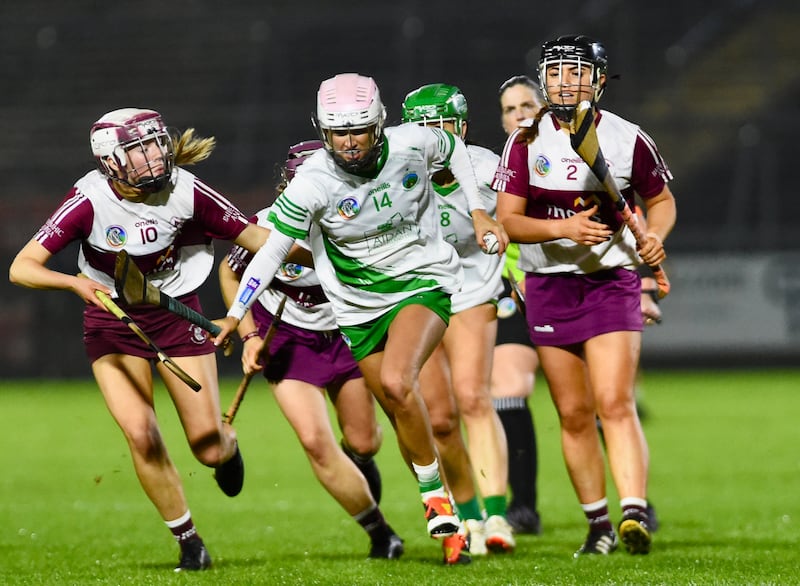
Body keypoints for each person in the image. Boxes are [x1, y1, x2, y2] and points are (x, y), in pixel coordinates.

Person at [212, 73, 508, 565]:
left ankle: (438, 501)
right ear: (323, 130)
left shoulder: (411, 142)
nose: (348, 143)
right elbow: (271, 250)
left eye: (358, 130)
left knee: (396, 381)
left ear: (379, 124)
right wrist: (238, 313)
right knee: (397, 408)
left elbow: (453, 147)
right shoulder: (314, 181)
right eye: (337, 132)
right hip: (356, 306)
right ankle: (440, 500)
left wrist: (479, 211)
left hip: (422, 280)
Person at [8, 108, 273, 571]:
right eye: (138, 150)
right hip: (113, 323)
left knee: (207, 446)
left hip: (176, 316)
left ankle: (228, 445)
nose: (153, 157)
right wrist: (74, 283)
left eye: (155, 145)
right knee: (142, 434)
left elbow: (262, 242)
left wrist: (327, 246)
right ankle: (189, 542)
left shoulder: (186, 190)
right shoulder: (87, 199)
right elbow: (21, 267)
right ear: (110, 161)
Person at [494, 36, 676, 557]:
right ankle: (597, 525)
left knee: (614, 402)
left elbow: (660, 201)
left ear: (597, 79)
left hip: (610, 280)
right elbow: (508, 222)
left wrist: (656, 234)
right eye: (554, 73)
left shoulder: (626, 139)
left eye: (575, 73)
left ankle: (634, 512)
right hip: (549, 285)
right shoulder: (525, 142)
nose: (563, 82)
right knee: (573, 414)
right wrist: (564, 229)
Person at [218, 139, 403, 559]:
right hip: (284, 337)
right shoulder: (265, 223)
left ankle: (360, 462)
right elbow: (229, 275)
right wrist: (248, 334)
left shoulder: (364, 222)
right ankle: (381, 533)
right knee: (317, 442)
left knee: (365, 441)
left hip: (345, 334)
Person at [401, 83, 515, 555]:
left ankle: (496, 515)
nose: (432, 139)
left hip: (473, 290)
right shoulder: (396, 176)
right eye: (421, 128)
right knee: (441, 420)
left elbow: (517, 222)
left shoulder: (488, 169)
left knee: (473, 396)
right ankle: (465, 515)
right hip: (419, 295)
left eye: (441, 126)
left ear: (462, 127)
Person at [491, 75, 546, 535]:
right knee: (507, 386)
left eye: (527, 104)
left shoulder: (573, 157)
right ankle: (524, 506)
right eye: (510, 109)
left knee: (598, 402)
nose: (519, 115)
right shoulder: (497, 168)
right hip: (516, 294)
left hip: (574, 289)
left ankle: (633, 503)